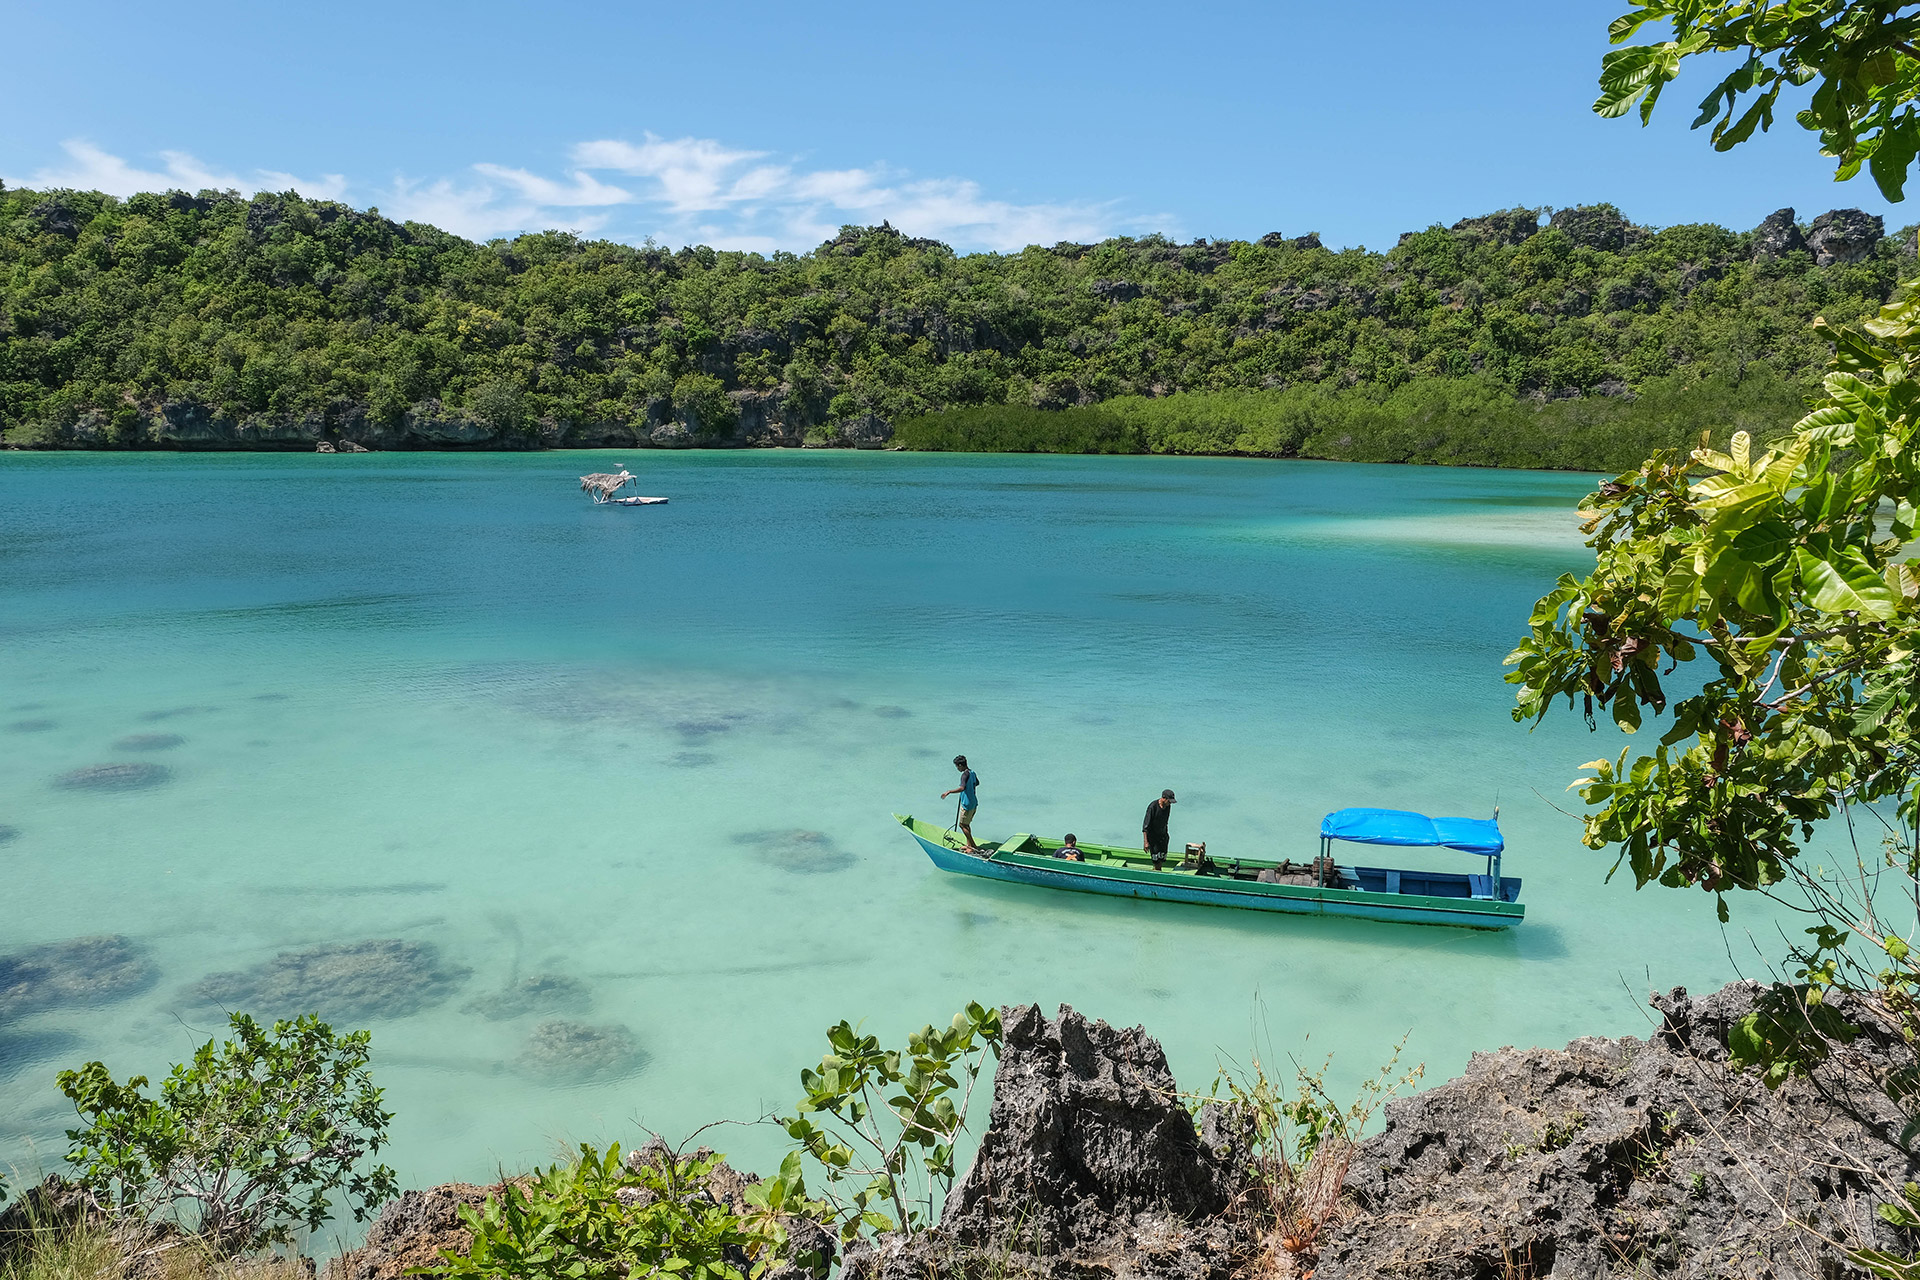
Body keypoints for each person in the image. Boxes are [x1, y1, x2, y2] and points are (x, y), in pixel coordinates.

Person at [941, 755, 981, 852]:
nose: (957, 768)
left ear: (960, 765)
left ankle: (973, 847)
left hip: (967, 804)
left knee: (962, 825)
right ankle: (969, 845)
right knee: (966, 825)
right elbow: (977, 783)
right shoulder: (972, 772)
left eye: (957, 766)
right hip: (973, 802)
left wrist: (949, 792)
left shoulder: (964, 775)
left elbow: (962, 788)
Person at [1143, 789, 1175, 868]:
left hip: (1163, 836)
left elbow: (1165, 822)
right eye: (1169, 801)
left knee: (1162, 857)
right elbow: (1145, 827)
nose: (1170, 803)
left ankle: (1158, 869)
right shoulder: (1152, 807)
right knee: (1156, 859)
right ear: (1164, 798)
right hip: (1153, 837)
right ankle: (1157, 871)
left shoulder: (1168, 807)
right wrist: (1146, 842)